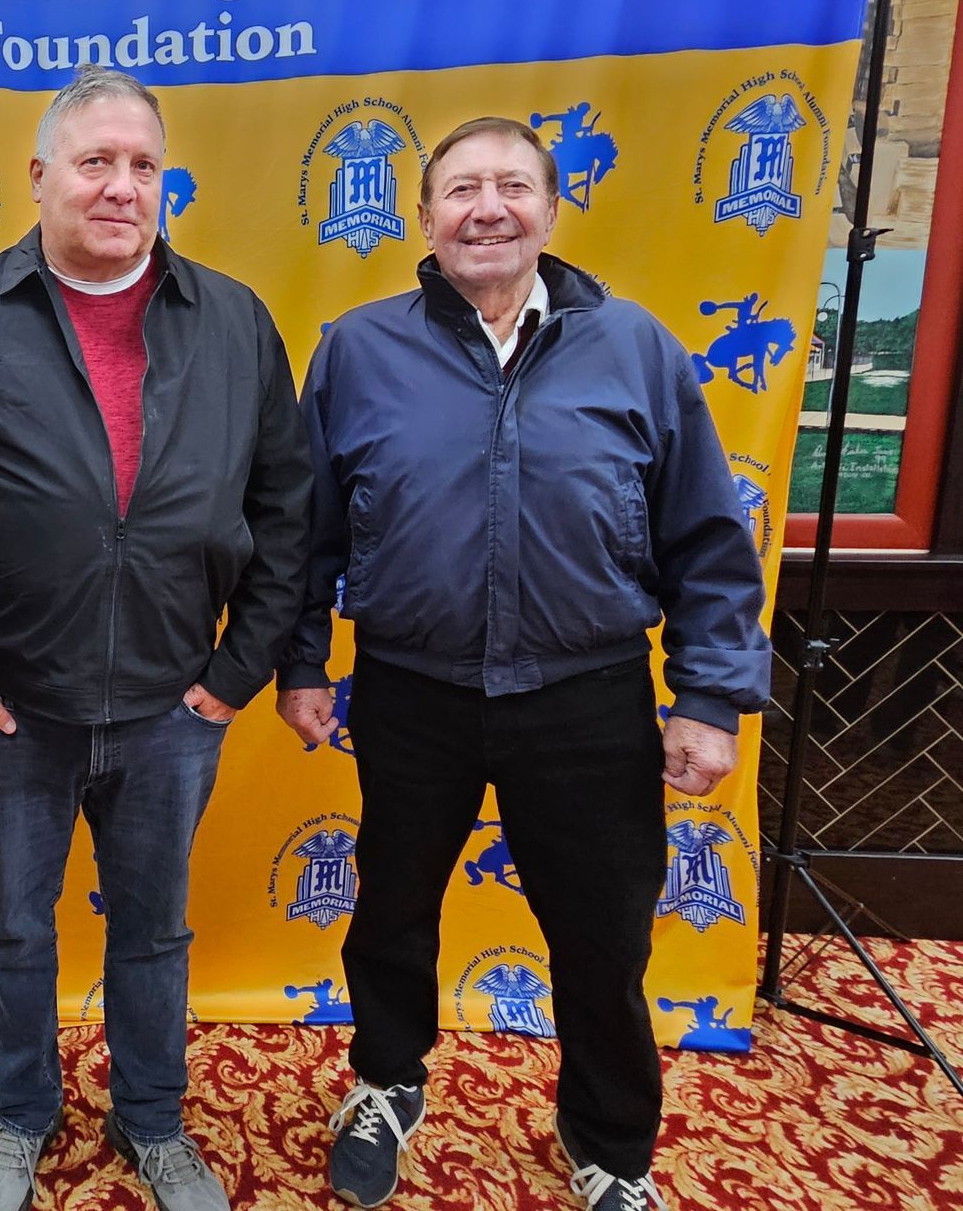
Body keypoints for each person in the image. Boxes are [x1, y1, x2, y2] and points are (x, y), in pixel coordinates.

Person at [276, 116, 771, 1211]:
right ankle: (386, 1084)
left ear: (551, 209)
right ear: (424, 218)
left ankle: (610, 1146)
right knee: (393, 910)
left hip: (587, 697)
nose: (486, 207)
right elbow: (306, 530)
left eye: (511, 186)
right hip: (410, 692)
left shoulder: (637, 348)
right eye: (460, 189)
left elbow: (704, 537)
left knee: (601, 936)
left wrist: (709, 697)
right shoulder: (359, 349)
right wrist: (303, 661)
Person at [0, 65, 311, 1211]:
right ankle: (22, 1115)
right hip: (12, 709)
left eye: (143, 166)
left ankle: (152, 1119)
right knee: (11, 930)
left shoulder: (234, 320)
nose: (122, 187)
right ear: (40, 177)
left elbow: (290, 506)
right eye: (96, 162)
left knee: (152, 932)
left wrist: (237, 675)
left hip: (171, 704)